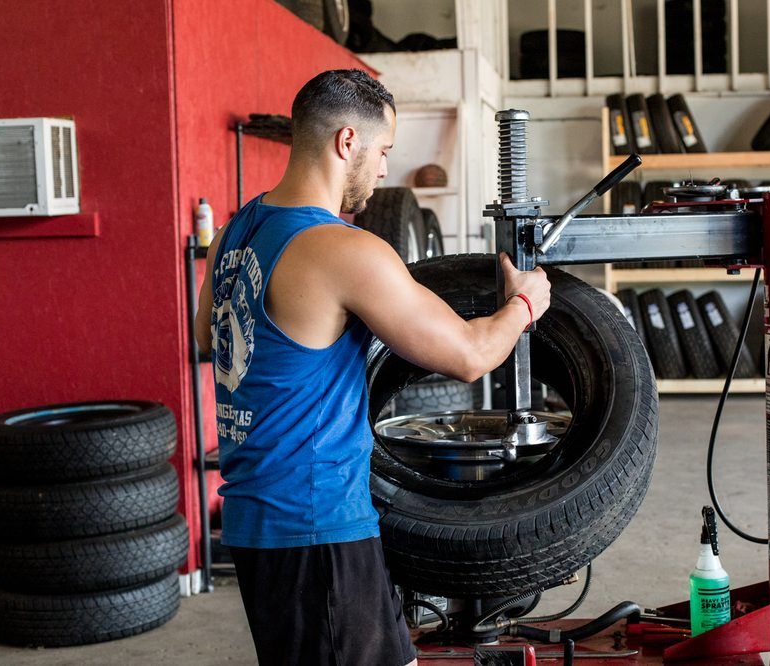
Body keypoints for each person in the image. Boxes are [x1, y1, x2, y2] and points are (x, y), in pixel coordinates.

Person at [195, 69, 551, 665]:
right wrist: (525, 302)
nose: (385, 169)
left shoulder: (233, 233)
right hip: (316, 525)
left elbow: (208, 334)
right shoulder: (343, 252)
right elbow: (469, 356)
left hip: (256, 522)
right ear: (346, 142)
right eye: (383, 150)